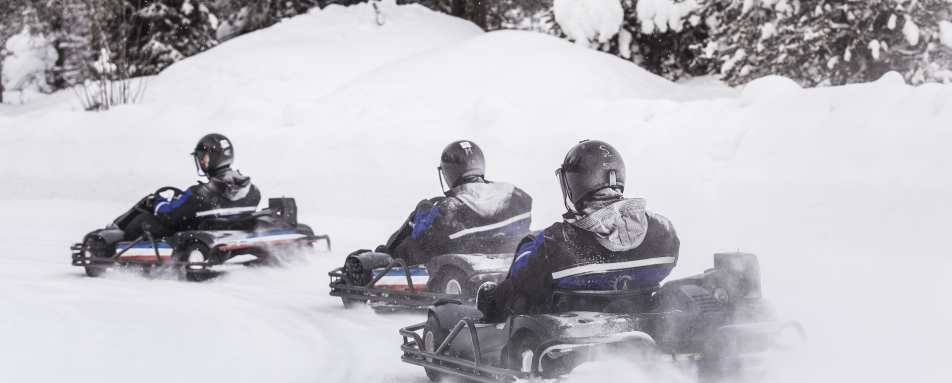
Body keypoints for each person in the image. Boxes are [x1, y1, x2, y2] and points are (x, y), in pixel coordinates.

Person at [477, 140, 679, 321]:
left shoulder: (552, 243)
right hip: (646, 332)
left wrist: (490, 300)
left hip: (571, 347)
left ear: (574, 183)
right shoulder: (664, 231)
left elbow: (512, 301)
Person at [375, 140, 533, 266]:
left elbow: (422, 244)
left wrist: (423, 211)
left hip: (452, 260)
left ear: (448, 172)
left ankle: (384, 255)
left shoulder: (447, 210)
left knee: (422, 210)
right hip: (505, 253)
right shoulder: (515, 195)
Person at [113, 133, 261, 241]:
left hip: (191, 233)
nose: (201, 161)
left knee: (142, 219)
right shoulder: (252, 191)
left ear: (209, 160)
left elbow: (168, 216)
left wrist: (157, 202)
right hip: (219, 229)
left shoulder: (200, 194)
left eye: (203, 158)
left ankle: (113, 236)